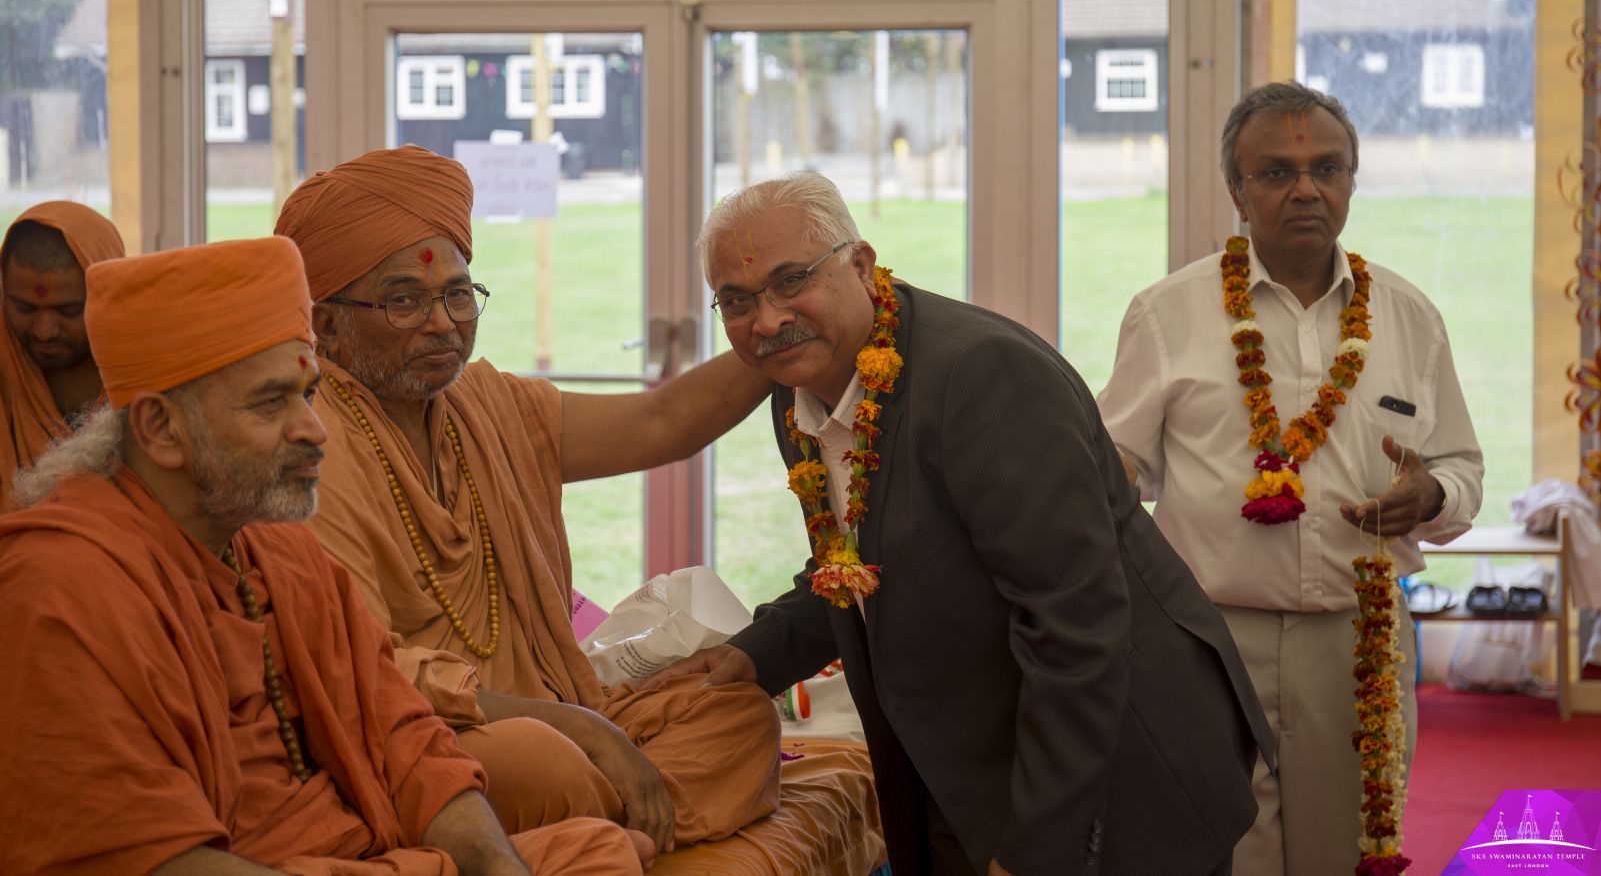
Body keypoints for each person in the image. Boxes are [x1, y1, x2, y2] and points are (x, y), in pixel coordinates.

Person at [644, 171, 1274, 876]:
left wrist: (1032, 855)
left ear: (861, 265)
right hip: (973, 760)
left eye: (791, 280)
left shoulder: (981, 374)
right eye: (736, 300)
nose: (765, 321)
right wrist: (754, 655)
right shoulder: (800, 391)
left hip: (1120, 774)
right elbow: (866, 561)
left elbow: (1079, 626)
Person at [0, 235, 648, 876]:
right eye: (271, 402)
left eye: (307, 394)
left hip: (357, 851)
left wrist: (494, 864)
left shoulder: (277, 550)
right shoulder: (60, 586)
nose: (314, 429)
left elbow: (406, 738)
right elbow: (139, 854)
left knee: (595, 849)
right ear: (160, 428)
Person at [272, 146, 786, 854]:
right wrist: (582, 730)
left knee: (736, 715)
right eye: (403, 300)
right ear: (326, 325)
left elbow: (661, 421)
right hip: (420, 736)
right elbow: (370, 675)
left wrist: (779, 333)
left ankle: (584, 835)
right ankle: (592, 831)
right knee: (542, 762)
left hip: (548, 710)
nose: (442, 323)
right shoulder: (309, 448)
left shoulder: (487, 406)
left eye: (458, 294)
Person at [1096, 81, 1485, 876]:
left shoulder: (1408, 317)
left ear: (1350, 181)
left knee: (1342, 854)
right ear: (1235, 191)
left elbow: (1462, 468)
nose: (1306, 189)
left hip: (1357, 638)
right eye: (1276, 171)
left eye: (1326, 168)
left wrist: (1431, 494)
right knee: (1221, 854)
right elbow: (1112, 467)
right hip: (1207, 638)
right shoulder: (1167, 315)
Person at [0, 201, 124, 511]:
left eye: (68, 311)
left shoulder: (150, 368)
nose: (44, 331)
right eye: (24, 308)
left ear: (107, 295)